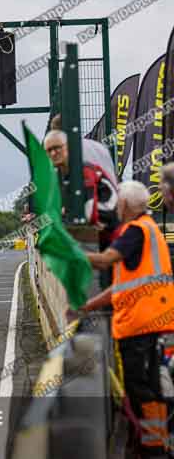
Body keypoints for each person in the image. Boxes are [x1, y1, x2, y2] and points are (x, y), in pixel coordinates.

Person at [73, 180, 174, 457]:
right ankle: (155, 443)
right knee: (147, 385)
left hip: (139, 324)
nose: (116, 206)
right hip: (147, 322)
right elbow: (122, 286)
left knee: (140, 386)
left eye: (119, 202)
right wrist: (88, 306)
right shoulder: (149, 230)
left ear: (126, 204)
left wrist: (72, 254)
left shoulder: (134, 231)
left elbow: (106, 260)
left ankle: (154, 446)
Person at [44, 128, 119, 289]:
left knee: (107, 275)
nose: (54, 153)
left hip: (110, 223)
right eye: (49, 150)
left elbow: (89, 206)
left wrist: (88, 219)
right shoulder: (66, 173)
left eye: (57, 148)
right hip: (103, 228)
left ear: (68, 147)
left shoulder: (82, 169)